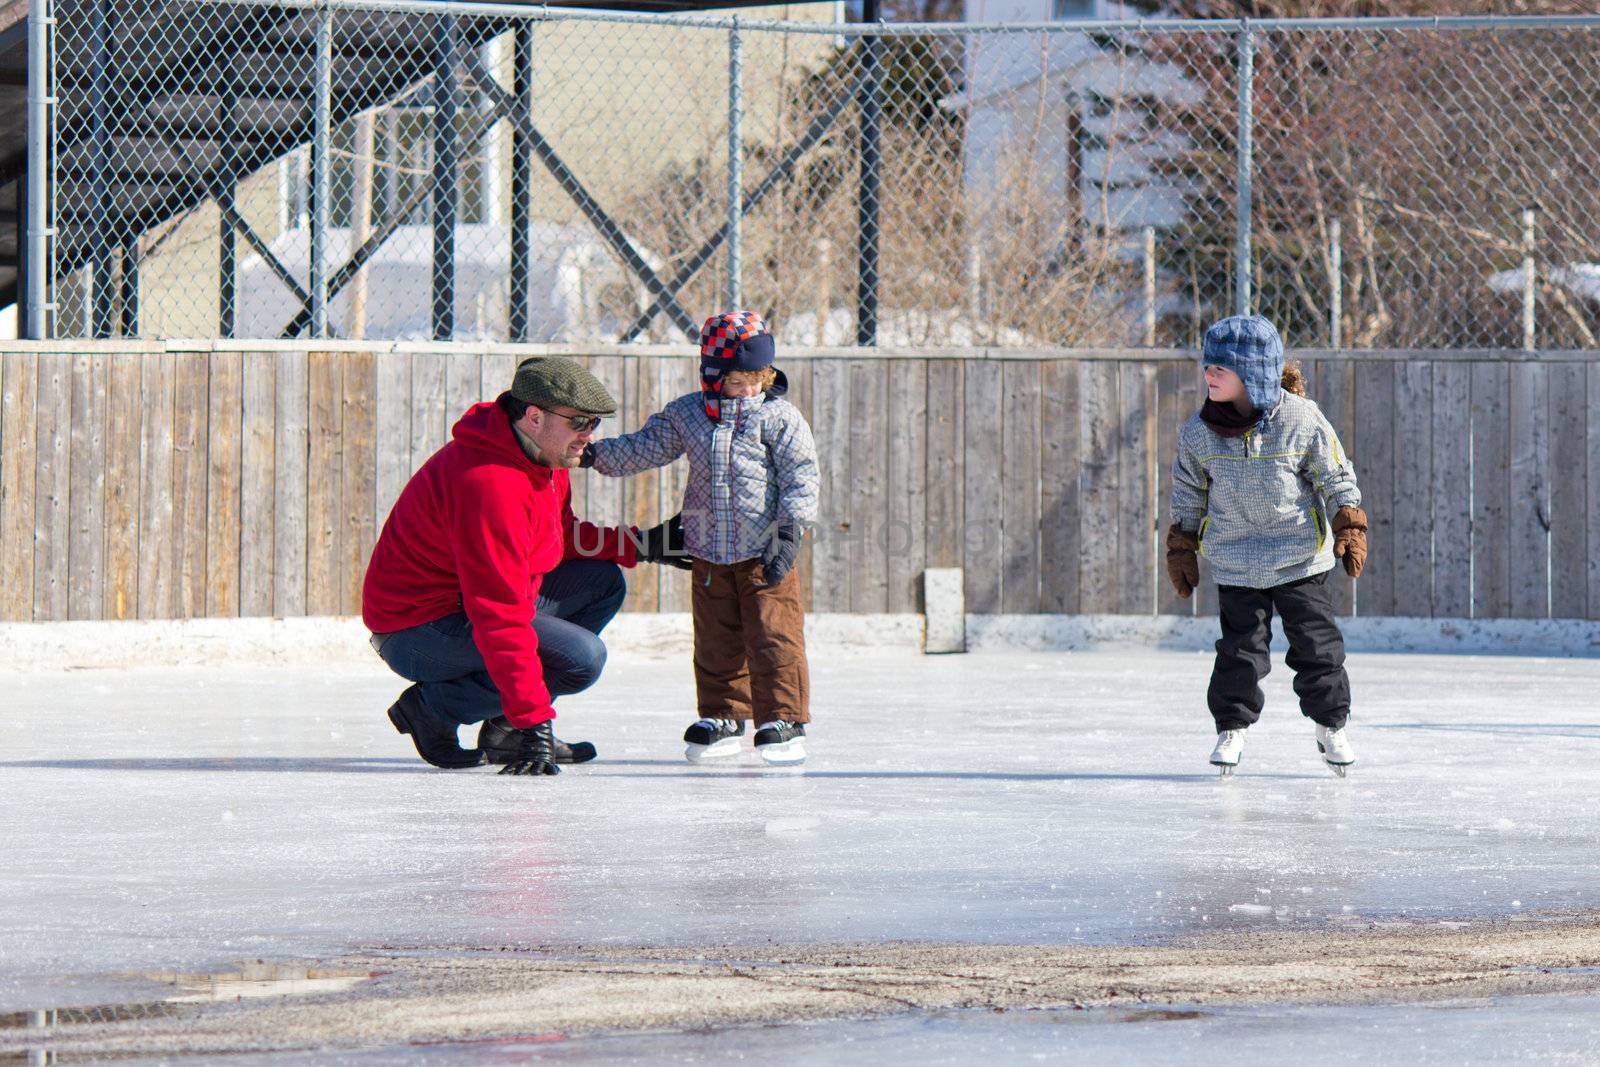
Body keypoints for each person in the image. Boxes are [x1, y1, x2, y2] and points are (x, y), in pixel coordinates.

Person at [362, 357, 684, 776]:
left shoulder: (543, 460)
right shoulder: (490, 483)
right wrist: (536, 721)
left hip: (464, 608)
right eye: (581, 422)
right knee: (581, 659)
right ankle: (432, 710)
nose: (589, 435)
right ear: (534, 417)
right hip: (418, 631)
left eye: (595, 424)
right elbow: (498, 614)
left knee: (602, 582)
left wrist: (642, 545)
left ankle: (503, 730)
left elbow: (561, 537)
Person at [583, 310, 820, 765]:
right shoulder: (689, 415)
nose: (750, 389)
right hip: (709, 551)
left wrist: (788, 532)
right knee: (715, 639)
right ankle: (724, 715)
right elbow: (643, 447)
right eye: (738, 380)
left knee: (774, 635)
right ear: (713, 376)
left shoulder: (779, 418)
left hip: (764, 550)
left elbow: (801, 477)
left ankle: (783, 718)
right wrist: (592, 455)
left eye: (758, 378)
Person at [1165, 315, 1368, 778]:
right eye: (1208, 366)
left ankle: (1330, 724)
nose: (1209, 375)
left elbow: (1335, 473)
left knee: (1317, 649)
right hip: (1237, 560)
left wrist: (1349, 522)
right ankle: (1231, 728)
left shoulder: (1300, 418)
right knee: (1239, 651)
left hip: (1299, 558)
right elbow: (1188, 491)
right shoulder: (1199, 431)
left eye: (1221, 368)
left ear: (1253, 374)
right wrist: (1182, 544)